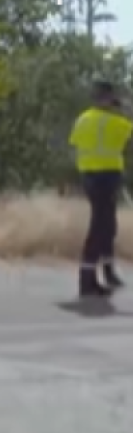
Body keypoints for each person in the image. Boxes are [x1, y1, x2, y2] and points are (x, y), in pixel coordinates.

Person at [70, 81, 133, 297]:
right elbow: (127, 130)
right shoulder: (117, 122)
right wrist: (123, 107)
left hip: (89, 176)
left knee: (107, 225)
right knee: (100, 228)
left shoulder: (83, 119)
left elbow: (76, 143)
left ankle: (106, 271)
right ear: (109, 98)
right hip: (107, 176)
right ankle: (87, 281)